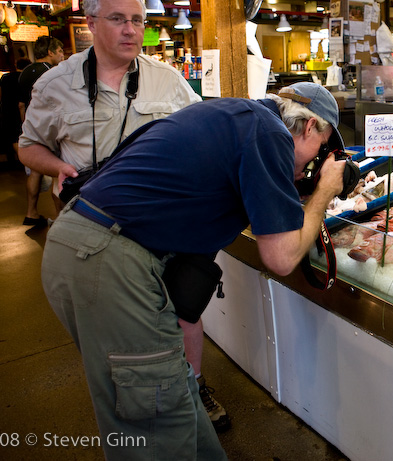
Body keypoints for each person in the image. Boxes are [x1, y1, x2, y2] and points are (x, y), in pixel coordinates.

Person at [39, 83, 347, 459]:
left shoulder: (236, 116)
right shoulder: (268, 132)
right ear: (310, 126)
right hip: (108, 259)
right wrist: (323, 193)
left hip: (89, 246)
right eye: (322, 147)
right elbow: (281, 258)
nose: (317, 161)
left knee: (178, 405)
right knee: (155, 420)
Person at [18, 0, 230, 432]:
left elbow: (203, 130)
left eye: (138, 20)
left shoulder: (167, 79)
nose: (131, 30)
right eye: (118, 19)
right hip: (97, 225)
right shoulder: (55, 84)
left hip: (163, 221)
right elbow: (28, 145)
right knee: (117, 329)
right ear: (91, 22)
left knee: (184, 307)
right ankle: (141, 398)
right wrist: (58, 167)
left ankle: (193, 388)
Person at [17, 36, 64, 228]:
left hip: (33, 128)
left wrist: (28, 129)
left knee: (35, 173)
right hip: (50, 130)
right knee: (57, 177)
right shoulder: (52, 73)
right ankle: (61, 220)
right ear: (50, 52)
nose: (62, 55)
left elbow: (21, 104)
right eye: (60, 51)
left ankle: (31, 212)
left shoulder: (25, 71)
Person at [0, 58, 30, 161]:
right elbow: (22, 103)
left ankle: (25, 161)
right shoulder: (25, 78)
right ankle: (27, 162)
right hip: (20, 113)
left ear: (16, 66)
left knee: (14, 139)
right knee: (22, 137)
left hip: (7, 111)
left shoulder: (5, 77)